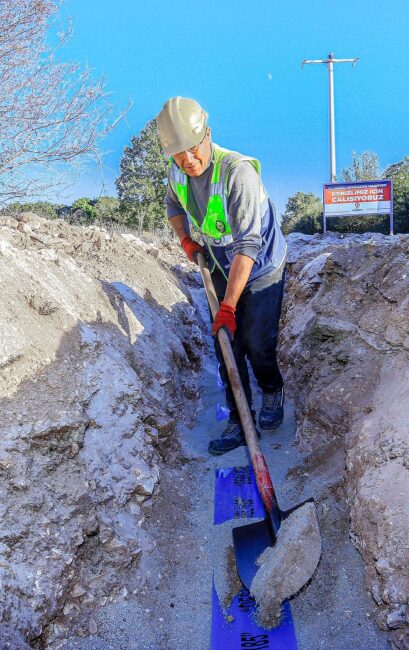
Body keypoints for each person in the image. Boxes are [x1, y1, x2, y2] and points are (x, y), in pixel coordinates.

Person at [156, 96, 289, 455]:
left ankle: (272, 389)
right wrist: (185, 239)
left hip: (260, 265)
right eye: (179, 153)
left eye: (194, 148)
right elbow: (173, 205)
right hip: (218, 264)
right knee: (226, 344)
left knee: (256, 341)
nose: (188, 159)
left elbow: (248, 245)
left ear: (208, 135)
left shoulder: (237, 173)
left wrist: (228, 306)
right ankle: (239, 419)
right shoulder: (176, 172)